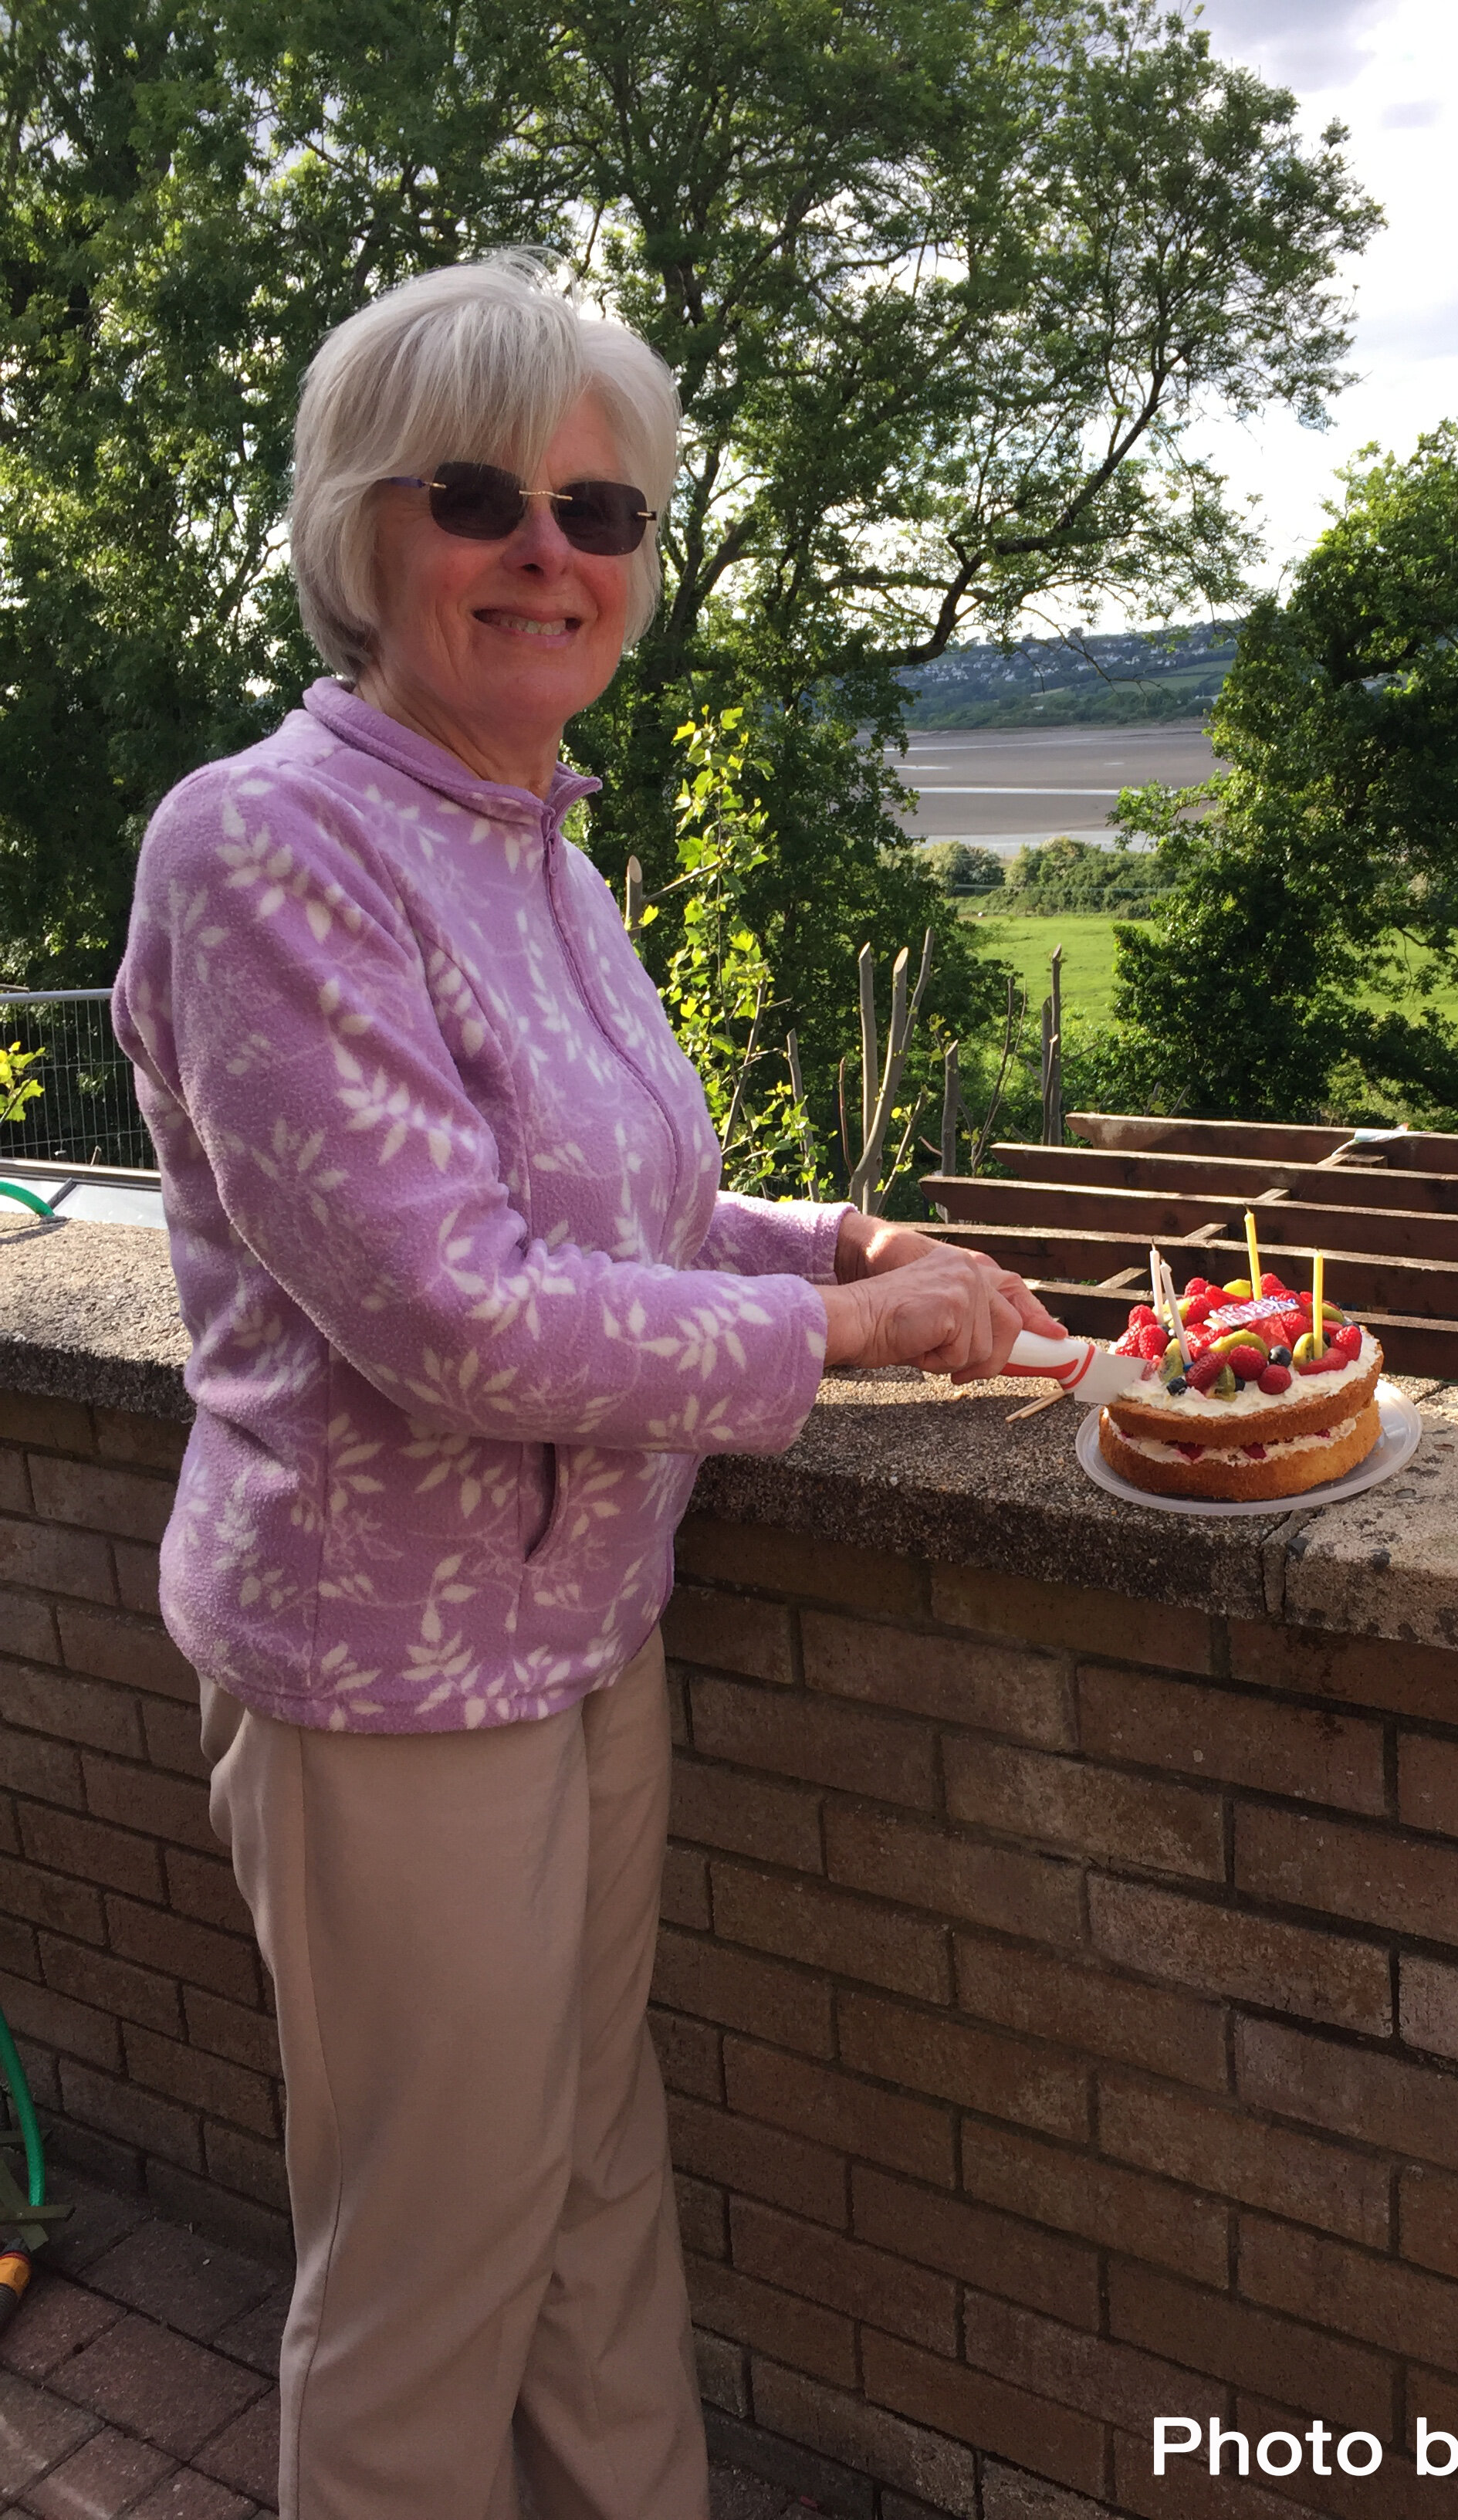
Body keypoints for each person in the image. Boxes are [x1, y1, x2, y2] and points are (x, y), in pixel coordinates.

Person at [111, 252, 1061, 2520]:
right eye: (482, 497)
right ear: (368, 531)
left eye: (602, 511)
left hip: (581, 1634)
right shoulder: (263, 843)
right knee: (434, 2268)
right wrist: (835, 1335)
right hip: (379, 1686)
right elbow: (453, 1311)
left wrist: (833, 1238)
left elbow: (606, 1219)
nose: (551, 549)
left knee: (596, 2203)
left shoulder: (545, 838)